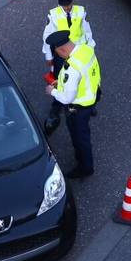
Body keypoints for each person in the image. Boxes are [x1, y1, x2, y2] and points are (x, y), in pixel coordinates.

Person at [44, 30, 101, 178]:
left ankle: (85, 167)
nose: (60, 56)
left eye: (58, 53)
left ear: (62, 49)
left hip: (78, 108)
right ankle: (84, 162)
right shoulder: (85, 49)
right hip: (91, 97)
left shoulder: (73, 68)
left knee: (80, 138)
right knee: (83, 135)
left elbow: (67, 98)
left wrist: (53, 91)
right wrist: (61, 83)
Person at [41, 0, 95, 134]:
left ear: (72, 2)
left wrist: (90, 48)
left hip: (79, 51)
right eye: (64, 5)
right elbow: (47, 36)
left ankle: (89, 103)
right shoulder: (53, 14)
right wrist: (48, 56)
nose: (66, 8)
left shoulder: (80, 11)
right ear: (59, 4)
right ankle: (57, 105)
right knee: (61, 79)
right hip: (62, 53)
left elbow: (87, 31)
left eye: (68, 4)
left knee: (85, 77)